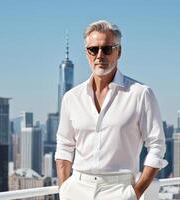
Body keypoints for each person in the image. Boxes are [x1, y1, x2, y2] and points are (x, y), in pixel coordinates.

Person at [55, 20, 167, 200]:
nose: (100, 55)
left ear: (119, 52)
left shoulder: (140, 94)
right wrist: (64, 189)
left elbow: (157, 146)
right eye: (93, 49)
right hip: (76, 189)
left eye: (107, 49)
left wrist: (135, 193)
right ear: (87, 53)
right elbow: (64, 146)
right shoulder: (71, 98)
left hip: (120, 190)